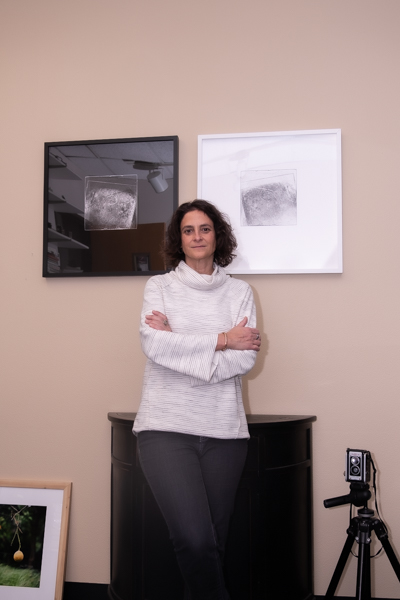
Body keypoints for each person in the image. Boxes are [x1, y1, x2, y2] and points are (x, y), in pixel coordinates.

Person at [133, 199, 261, 600]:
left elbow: (246, 358)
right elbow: (154, 346)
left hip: (224, 431)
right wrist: (221, 341)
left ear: (216, 235)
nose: (197, 236)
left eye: (204, 228)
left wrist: (181, 346)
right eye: (188, 230)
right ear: (179, 239)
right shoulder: (159, 287)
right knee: (194, 541)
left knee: (213, 545)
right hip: (165, 430)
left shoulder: (240, 292)